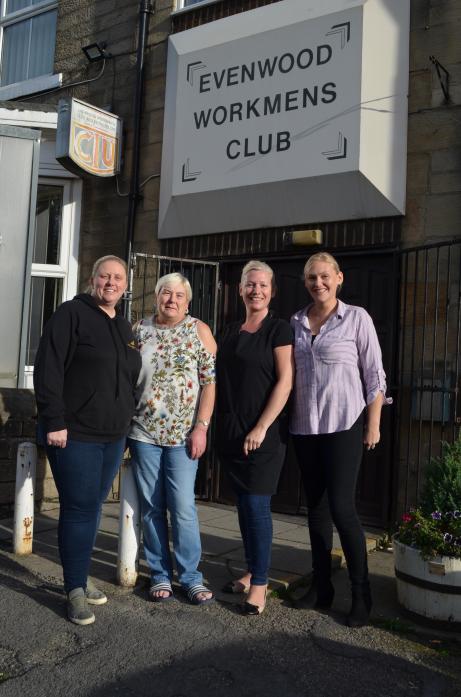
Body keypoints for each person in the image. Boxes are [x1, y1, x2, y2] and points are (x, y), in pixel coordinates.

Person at [34, 255, 141, 626]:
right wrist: (54, 420)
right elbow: (48, 367)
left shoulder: (125, 327)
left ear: (125, 286)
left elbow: (127, 380)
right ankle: (74, 590)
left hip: (112, 436)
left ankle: (79, 576)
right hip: (74, 433)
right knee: (79, 510)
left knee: (93, 508)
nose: (111, 282)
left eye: (118, 278)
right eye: (104, 276)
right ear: (92, 279)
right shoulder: (70, 314)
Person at [290, 251, 392, 627]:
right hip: (305, 427)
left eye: (325, 276)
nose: (319, 283)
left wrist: (373, 423)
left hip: (344, 424)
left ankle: (361, 594)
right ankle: (321, 588)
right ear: (305, 283)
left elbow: (374, 375)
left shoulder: (357, 318)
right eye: (312, 278)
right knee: (315, 510)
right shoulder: (296, 321)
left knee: (342, 510)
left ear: (339, 278)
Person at [127, 272, 216, 605]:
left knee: (182, 507)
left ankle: (191, 576)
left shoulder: (199, 331)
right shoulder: (138, 330)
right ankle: (160, 574)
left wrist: (202, 427)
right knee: (151, 507)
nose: (172, 300)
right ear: (156, 296)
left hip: (183, 435)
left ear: (187, 301)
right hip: (143, 432)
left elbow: (210, 383)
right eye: (166, 293)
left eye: (179, 295)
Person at [216, 260, 294, 615]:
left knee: (256, 507)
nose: (256, 290)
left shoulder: (279, 329)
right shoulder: (230, 331)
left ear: (272, 291)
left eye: (263, 285)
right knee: (244, 508)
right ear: (240, 289)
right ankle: (251, 570)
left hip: (263, 434)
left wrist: (261, 427)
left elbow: (285, 381)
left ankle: (260, 585)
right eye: (250, 284)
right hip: (232, 432)